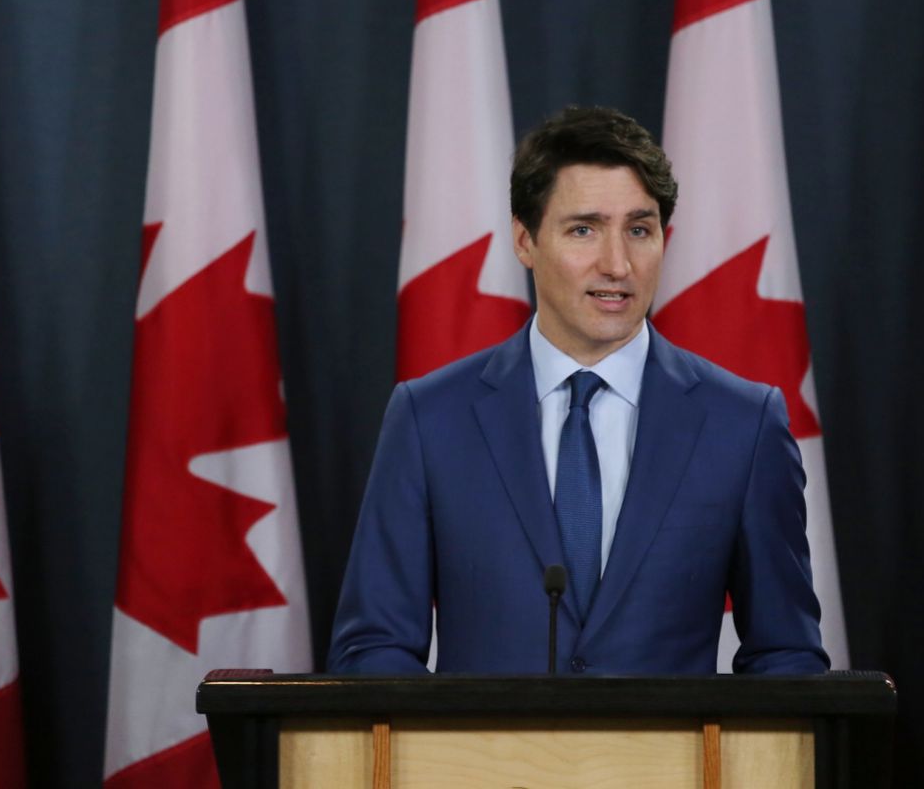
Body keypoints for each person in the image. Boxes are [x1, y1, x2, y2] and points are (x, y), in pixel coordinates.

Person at [328, 106, 828, 675]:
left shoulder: (743, 424)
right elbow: (373, 649)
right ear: (525, 240)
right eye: (584, 229)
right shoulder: (429, 419)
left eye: (639, 230)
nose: (617, 264)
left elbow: (786, 655)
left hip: (671, 766)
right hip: (482, 766)